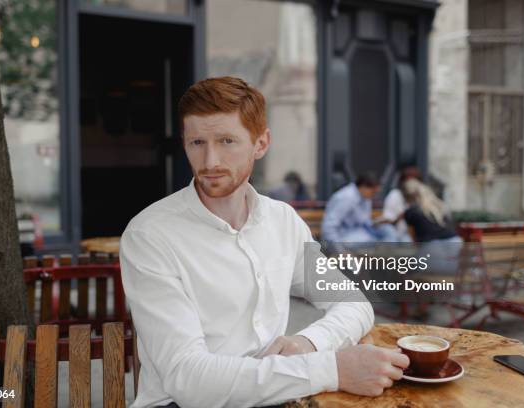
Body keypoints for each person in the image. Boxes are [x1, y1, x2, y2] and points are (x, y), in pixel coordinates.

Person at [120, 77, 409, 408]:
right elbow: (188, 379)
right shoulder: (150, 235)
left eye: (227, 141)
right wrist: (332, 368)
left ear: (261, 143)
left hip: (278, 397)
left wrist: (309, 342)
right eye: (197, 142)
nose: (210, 160)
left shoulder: (282, 221)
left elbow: (353, 303)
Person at [321, 173, 398, 244]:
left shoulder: (365, 198)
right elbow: (329, 227)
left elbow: (363, 222)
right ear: (364, 187)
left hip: (361, 234)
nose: (374, 195)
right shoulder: (347, 197)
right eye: (373, 192)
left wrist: (377, 223)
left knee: (389, 231)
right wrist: (341, 251)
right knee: (367, 239)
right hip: (343, 238)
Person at [381, 165, 422, 242]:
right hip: (392, 235)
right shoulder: (394, 195)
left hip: (406, 236)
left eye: (414, 182)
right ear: (403, 182)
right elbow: (387, 222)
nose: (411, 185)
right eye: (409, 182)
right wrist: (402, 216)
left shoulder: (420, 198)